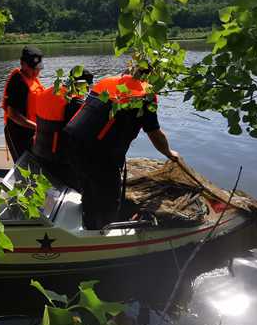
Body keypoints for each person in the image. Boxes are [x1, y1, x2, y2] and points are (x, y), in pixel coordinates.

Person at [64, 67, 180, 230]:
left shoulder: (107, 81)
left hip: (72, 143)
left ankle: (89, 223)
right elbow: (154, 132)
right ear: (152, 76)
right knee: (109, 200)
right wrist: (168, 152)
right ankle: (104, 237)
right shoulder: (145, 94)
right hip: (100, 154)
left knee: (89, 188)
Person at [32, 68, 94, 188]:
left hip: (38, 151)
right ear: (81, 84)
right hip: (57, 159)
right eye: (87, 87)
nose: (87, 90)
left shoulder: (49, 91)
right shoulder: (73, 102)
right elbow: (82, 133)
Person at [1, 46, 45, 161]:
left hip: (32, 130)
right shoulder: (18, 81)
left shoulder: (33, 78)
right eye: (32, 68)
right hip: (18, 133)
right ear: (22, 63)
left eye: (38, 68)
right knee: (23, 165)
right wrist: (37, 127)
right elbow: (13, 114)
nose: (36, 71)